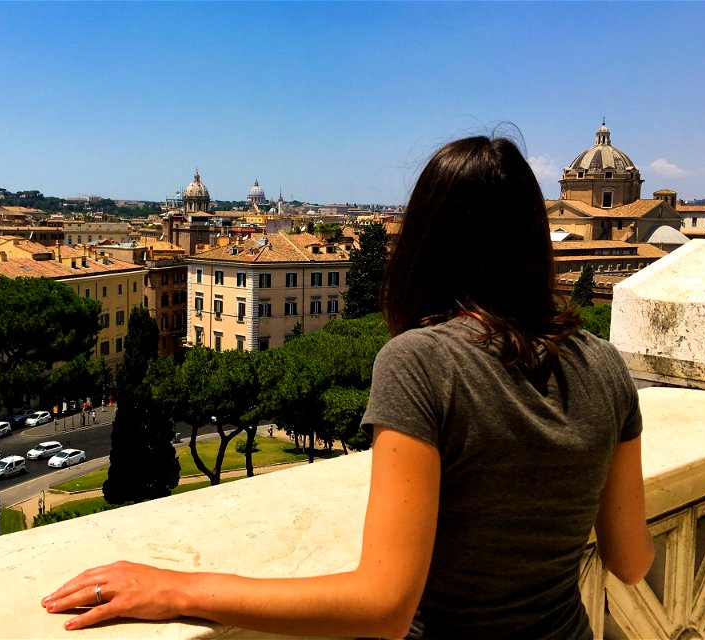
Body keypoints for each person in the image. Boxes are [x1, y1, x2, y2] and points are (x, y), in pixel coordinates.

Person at [41, 135, 654, 638]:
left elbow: (383, 605)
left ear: (422, 242)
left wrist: (178, 586)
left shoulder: (419, 362)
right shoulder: (605, 365)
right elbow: (631, 561)